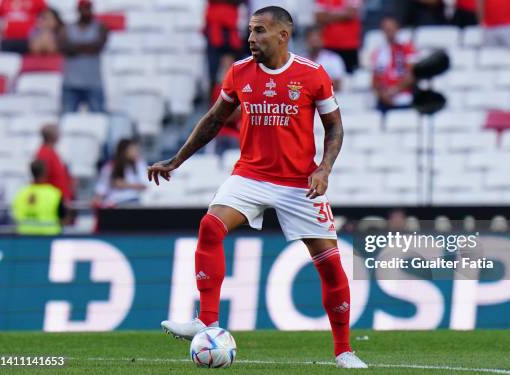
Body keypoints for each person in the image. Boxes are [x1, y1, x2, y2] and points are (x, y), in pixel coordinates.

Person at [148, 6, 367, 369]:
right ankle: (207, 320)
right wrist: (176, 160)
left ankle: (344, 350)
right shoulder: (238, 73)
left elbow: (335, 128)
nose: (251, 38)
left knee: (330, 265)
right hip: (250, 175)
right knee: (209, 226)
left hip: (299, 183)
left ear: (283, 35)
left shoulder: (313, 75)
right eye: (250, 31)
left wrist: (324, 169)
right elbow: (215, 119)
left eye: (260, 31)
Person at [59, 0, 108, 113]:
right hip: (71, 84)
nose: (85, 11)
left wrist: (75, 47)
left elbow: (98, 46)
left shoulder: (100, 27)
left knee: (98, 119)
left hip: (93, 83)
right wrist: (88, 47)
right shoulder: (67, 28)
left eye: (88, 8)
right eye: (83, 8)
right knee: (67, 119)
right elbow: (64, 47)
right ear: (78, 10)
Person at [371, 16, 417, 113]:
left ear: (397, 28)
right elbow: (375, 81)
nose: (389, 32)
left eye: (391, 28)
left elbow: (413, 75)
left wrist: (393, 91)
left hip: (405, 98)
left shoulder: (408, 48)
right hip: (385, 101)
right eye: (386, 29)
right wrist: (383, 95)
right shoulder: (378, 52)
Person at [12, 160, 65, 235]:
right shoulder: (54, 193)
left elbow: (15, 214)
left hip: (24, 237)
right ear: (46, 172)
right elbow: (63, 217)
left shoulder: (21, 193)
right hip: (48, 237)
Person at [204, 0, 244, 97]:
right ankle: (214, 102)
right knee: (214, 72)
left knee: (232, 69)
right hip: (214, 31)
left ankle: (232, 100)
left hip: (231, 30)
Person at [93, 139, 148, 208]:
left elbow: (144, 185)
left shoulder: (139, 164)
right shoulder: (110, 166)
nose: (136, 152)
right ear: (124, 151)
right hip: (115, 203)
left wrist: (124, 184)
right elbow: (101, 188)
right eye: (132, 150)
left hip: (133, 201)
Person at [314, 0, 361, 74]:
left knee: (351, 78)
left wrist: (328, 15)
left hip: (349, 46)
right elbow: (318, 17)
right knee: (326, 77)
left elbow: (351, 14)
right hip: (328, 45)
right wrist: (343, 14)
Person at [211, 54, 241, 156]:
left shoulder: (241, 87)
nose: (226, 68)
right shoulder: (218, 89)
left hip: (237, 134)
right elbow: (220, 115)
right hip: (222, 134)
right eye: (224, 65)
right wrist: (238, 112)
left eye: (229, 65)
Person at [35, 124, 74, 202]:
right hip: (53, 200)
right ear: (52, 136)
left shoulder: (51, 152)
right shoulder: (44, 153)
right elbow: (42, 177)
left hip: (58, 197)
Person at [305, 25, 346, 91]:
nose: (314, 43)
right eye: (312, 39)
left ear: (322, 40)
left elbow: (337, 85)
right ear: (306, 41)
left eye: (317, 39)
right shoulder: (300, 59)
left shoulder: (334, 59)